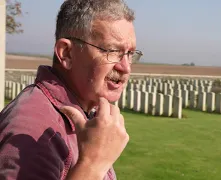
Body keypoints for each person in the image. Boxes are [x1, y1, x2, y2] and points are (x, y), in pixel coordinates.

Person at [0, 0, 143, 179]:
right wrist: (92, 164)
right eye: (112, 51)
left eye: (130, 54)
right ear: (66, 53)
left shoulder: (82, 115)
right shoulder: (34, 129)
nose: (125, 67)